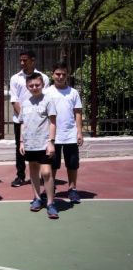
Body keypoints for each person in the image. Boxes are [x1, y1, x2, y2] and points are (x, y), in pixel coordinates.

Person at [19, 72, 59, 219]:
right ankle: (37, 198)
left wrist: (51, 142)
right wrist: (22, 142)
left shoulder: (48, 100)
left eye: (37, 85)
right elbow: (22, 123)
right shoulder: (25, 103)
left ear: (42, 85)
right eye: (31, 85)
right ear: (27, 86)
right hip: (30, 144)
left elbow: (53, 123)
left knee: (47, 173)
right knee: (33, 171)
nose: (34, 87)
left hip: (44, 143)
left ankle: (51, 203)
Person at [9, 50, 50, 187]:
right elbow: (14, 100)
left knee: (42, 147)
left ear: (33, 60)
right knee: (20, 148)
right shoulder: (15, 78)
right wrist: (25, 118)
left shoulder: (44, 78)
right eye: (20, 60)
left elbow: (46, 98)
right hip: (21, 121)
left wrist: (36, 117)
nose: (22, 63)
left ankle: (43, 176)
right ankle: (20, 176)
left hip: (41, 121)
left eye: (25, 60)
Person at [47, 61, 84, 204]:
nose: (60, 77)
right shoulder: (47, 92)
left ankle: (72, 189)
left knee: (72, 163)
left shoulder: (73, 92)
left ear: (67, 75)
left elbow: (78, 112)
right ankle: (50, 188)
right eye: (58, 74)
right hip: (53, 136)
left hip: (70, 135)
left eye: (63, 74)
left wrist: (79, 132)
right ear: (52, 75)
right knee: (52, 164)